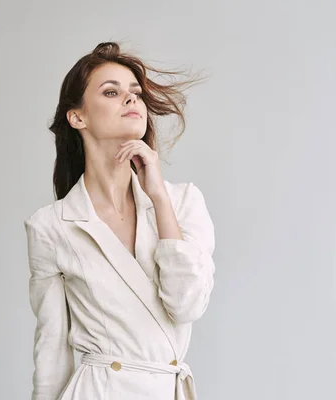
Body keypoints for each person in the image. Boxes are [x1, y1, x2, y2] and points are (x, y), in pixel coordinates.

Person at [23, 41, 216, 400]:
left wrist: (158, 198)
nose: (131, 101)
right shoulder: (52, 226)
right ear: (77, 116)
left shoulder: (183, 201)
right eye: (112, 92)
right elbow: (51, 352)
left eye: (136, 94)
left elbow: (186, 304)